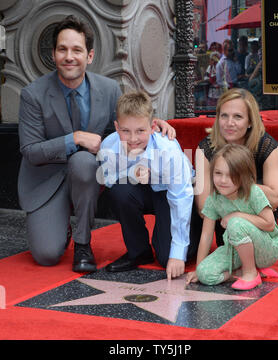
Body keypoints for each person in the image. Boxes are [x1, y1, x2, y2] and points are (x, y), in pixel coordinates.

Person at [18, 15, 174, 273]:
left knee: (82, 162)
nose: (69, 56)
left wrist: (154, 126)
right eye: (62, 49)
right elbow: (30, 151)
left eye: (77, 50)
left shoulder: (109, 89)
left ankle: (82, 243)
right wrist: (75, 138)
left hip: (93, 176)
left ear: (89, 56)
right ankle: (63, 225)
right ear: (54, 54)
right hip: (47, 179)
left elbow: (129, 123)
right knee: (46, 255)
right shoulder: (32, 94)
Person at [97, 91, 198, 280]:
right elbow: (109, 180)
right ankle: (138, 251)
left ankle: (195, 230)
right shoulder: (109, 146)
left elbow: (180, 198)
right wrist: (132, 173)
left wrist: (178, 254)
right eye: (126, 131)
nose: (133, 138)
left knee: (167, 255)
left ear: (153, 127)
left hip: (172, 192)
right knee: (120, 192)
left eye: (140, 131)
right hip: (141, 191)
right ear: (116, 127)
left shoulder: (168, 150)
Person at [194, 88, 278, 247]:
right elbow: (203, 206)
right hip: (222, 219)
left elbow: (275, 198)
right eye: (224, 116)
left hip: (258, 218)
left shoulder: (266, 146)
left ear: (250, 121)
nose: (229, 123)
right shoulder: (205, 149)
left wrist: (232, 188)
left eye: (237, 116)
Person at [186, 144, 278, 290]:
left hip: (267, 247)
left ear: (244, 176)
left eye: (231, 174)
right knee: (204, 274)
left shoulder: (253, 192)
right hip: (236, 249)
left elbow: (269, 224)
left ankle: (250, 272)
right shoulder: (214, 199)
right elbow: (206, 236)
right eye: (218, 173)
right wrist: (198, 268)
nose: (223, 180)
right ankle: (241, 271)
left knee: (235, 223)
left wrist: (237, 215)